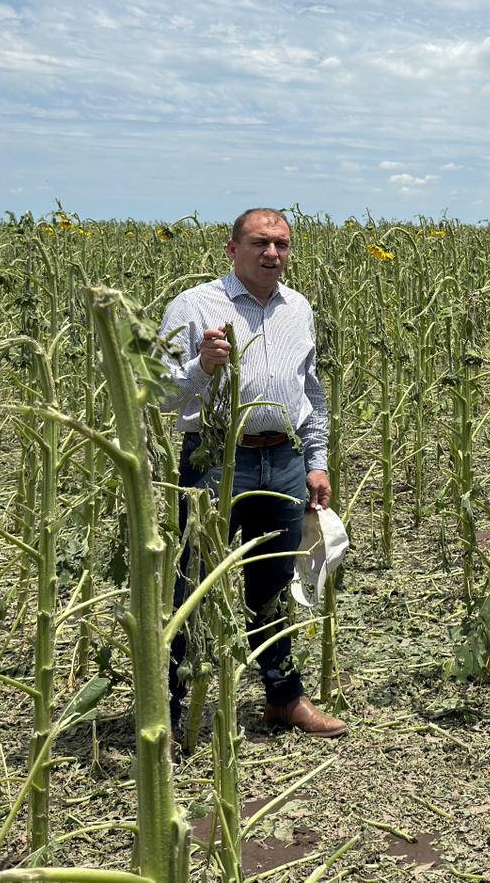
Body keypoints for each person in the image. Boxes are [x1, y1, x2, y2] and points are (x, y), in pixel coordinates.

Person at [159, 207, 347, 738]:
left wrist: (316, 461)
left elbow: (311, 392)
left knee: (273, 583)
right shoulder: (195, 305)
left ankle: (284, 698)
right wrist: (203, 367)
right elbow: (159, 391)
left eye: (282, 244)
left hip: (284, 459)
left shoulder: (298, 308)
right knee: (193, 584)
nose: (272, 254)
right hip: (216, 457)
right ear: (232, 248)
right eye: (261, 243)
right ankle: (174, 714)